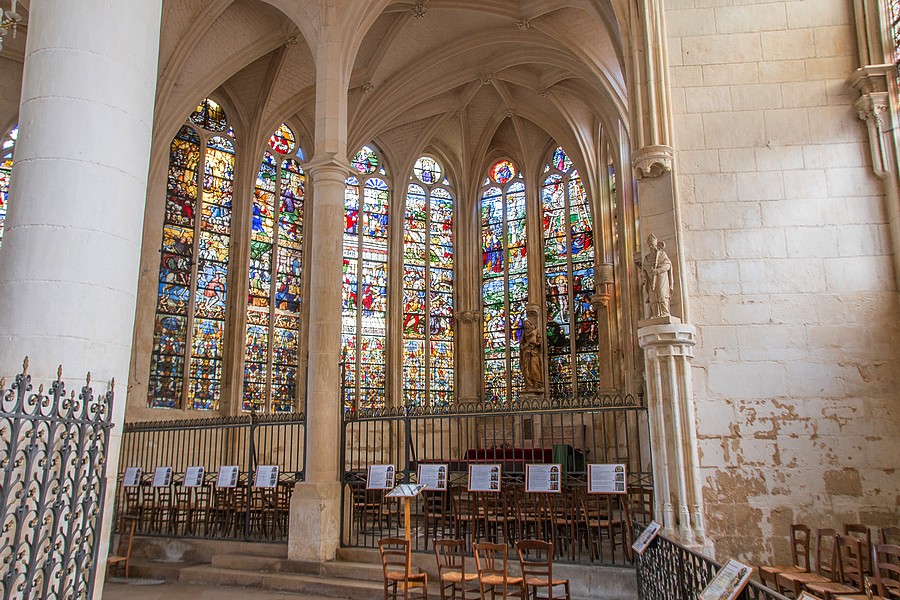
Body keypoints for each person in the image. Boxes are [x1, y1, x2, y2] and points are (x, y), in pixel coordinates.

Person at [641, 233, 673, 318]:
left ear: (656, 244)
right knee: (652, 297)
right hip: (651, 278)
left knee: (662, 294)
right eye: (650, 246)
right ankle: (655, 314)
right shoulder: (647, 257)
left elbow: (668, 266)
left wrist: (657, 271)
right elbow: (644, 267)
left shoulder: (662, 254)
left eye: (653, 245)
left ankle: (665, 313)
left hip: (661, 277)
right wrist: (644, 274)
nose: (652, 247)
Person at [521, 316, 543, 390]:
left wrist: (536, 344)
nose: (526, 326)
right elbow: (521, 343)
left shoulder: (535, 331)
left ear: (530, 324)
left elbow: (539, 342)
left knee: (534, 368)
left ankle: (537, 384)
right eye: (525, 325)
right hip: (526, 353)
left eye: (527, 324)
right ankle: (529, 385)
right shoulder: (524, 333)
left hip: (534, 352)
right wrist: (524, 346)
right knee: (526, 370)